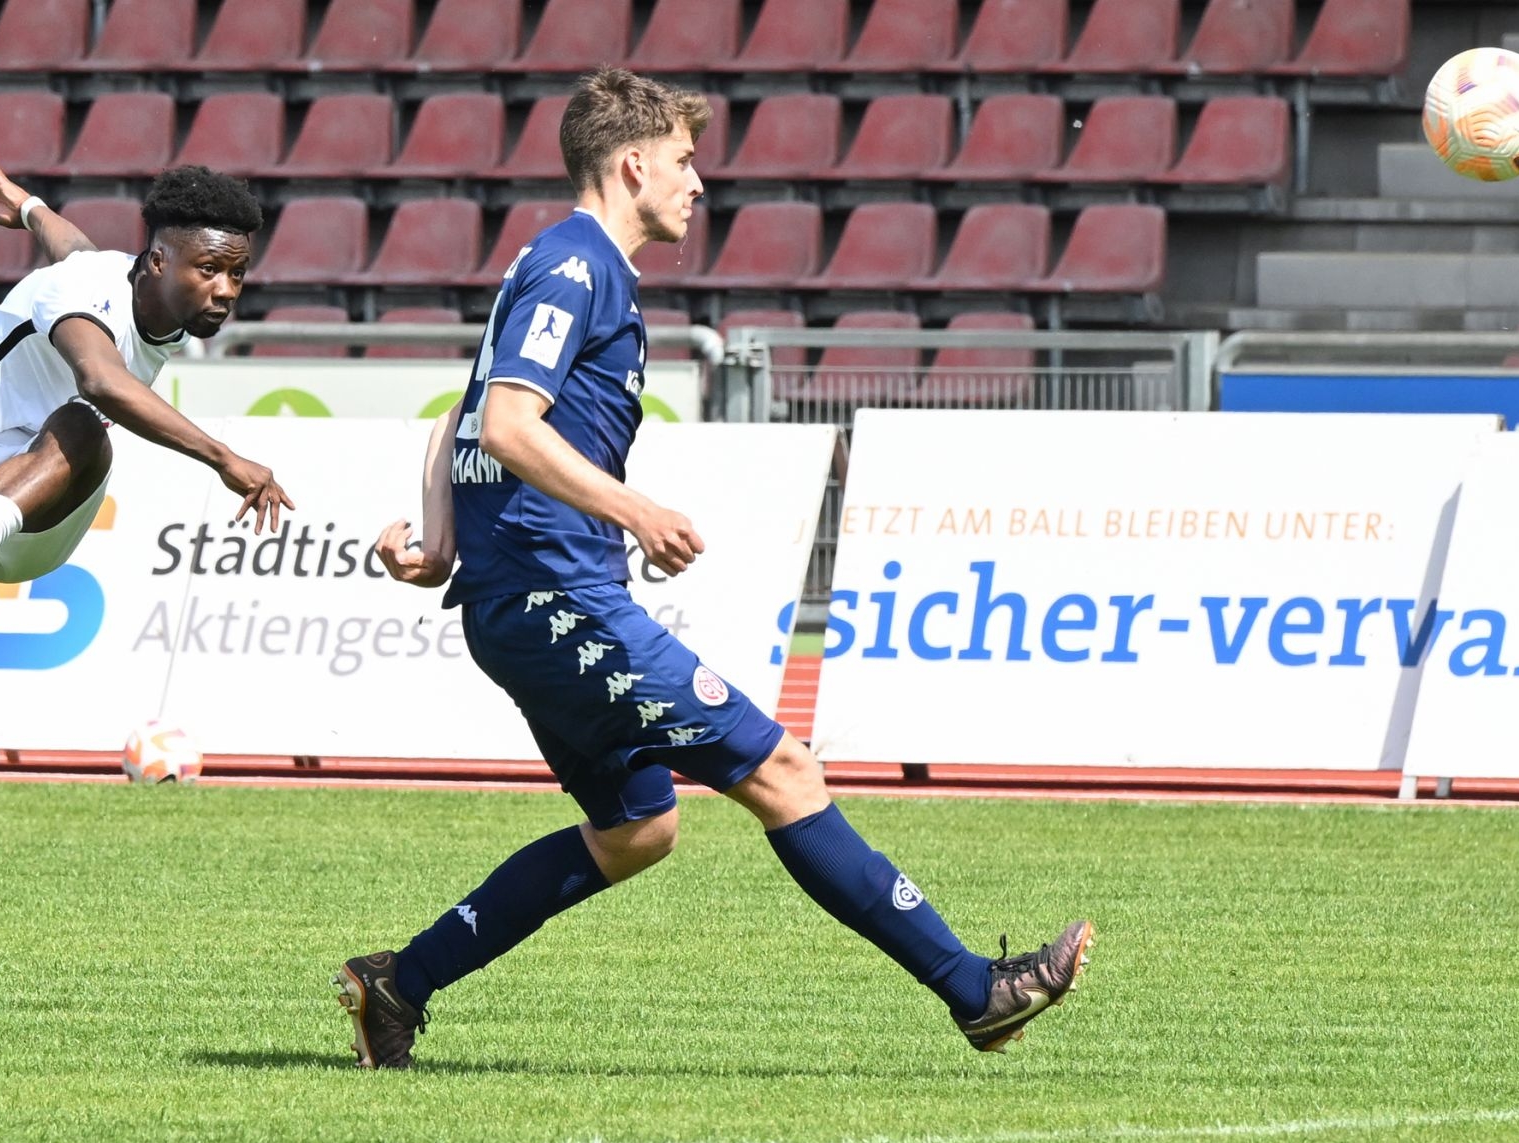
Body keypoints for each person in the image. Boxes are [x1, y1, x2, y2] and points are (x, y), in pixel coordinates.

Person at [340, 68, 1093, 1068]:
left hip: (523, 602)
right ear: (632, 164)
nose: (698, 183)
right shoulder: (576, 268)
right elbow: (509, 424)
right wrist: (636, 510)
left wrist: (441, 537)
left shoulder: (556, 262)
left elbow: (465, 411)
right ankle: (975, 991)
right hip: (557, 598)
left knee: (638, 829)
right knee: (783, 770)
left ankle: (399, 983)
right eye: (685, 161)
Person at [0, 150, 294, 1014]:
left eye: (238, 273)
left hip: (45, 499)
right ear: (159, 260)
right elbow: (102, 372)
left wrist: (27, 204)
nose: (225, 290)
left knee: (84, 428)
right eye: (210, 270)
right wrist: (225, 457)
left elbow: (70, 242)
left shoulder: (126, 280)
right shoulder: (75, 295)